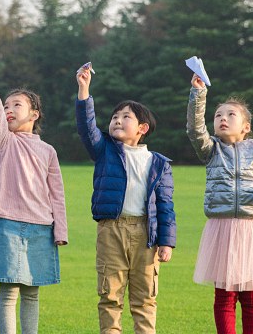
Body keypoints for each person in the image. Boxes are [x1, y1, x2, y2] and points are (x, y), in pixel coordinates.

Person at [75, 65, 176, 334]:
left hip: (147, 234)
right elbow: (87, 129)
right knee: (110, 295)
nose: (117, 120)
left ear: (142, 128)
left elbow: (165, 206)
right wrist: (84, 90)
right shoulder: (104, 150)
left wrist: (166, 242)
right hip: (111, 231)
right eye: (115, 117)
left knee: (145, 298)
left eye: (126, 117)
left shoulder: (158, 163)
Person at [0, 64, 68, 334]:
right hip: (7, 225)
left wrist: (60, 229)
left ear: (34, 114)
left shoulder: (48, 151)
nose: (8, 109)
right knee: (9, 292)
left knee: (32, 293)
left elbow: (57, 193)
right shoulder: (5, 141)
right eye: (6, 105)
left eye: (16, 104)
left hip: (40, 227)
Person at [186, 73, 253, 334]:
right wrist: (198, 94)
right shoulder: (211, 149)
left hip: (252, 229)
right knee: (225, 296)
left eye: (230, 115)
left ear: (246, 126)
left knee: (251, 296)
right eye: (218, 115)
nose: (222, 119)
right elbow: (195, 130)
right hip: (221, 228)